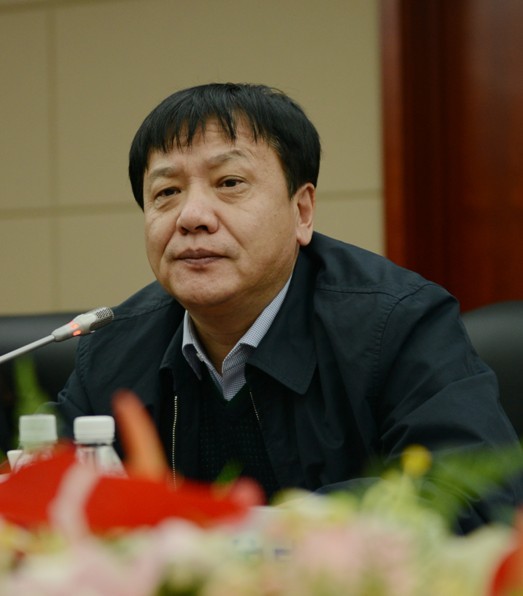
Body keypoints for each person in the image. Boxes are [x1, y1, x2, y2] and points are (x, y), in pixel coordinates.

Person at [55, 82, 523, 531]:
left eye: (229, 182)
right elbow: (48, 505)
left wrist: (258, 531)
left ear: (302, 211)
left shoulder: (398, 324)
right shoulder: (112, 350)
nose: (192, 216)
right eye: (166, 193)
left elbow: (472, 495)